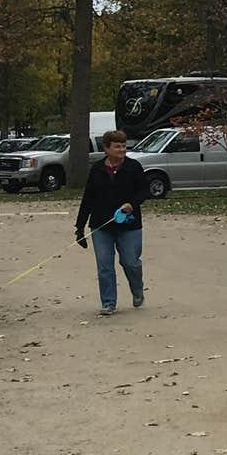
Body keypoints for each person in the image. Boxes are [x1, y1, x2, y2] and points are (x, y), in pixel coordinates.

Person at [77, 129, 149, 315]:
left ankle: (137, 289)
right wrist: (80, 228)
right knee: (104, 267)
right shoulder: (97, 169)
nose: (122, 150)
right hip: (101, 225)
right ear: (107, 148)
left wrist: (132, 204)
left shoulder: (133, 167)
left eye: (124, 146)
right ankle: (108, 303)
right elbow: (88, 198)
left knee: (130, 262)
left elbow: (144, 190)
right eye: (117, 146)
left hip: (129, 225)